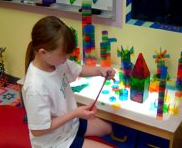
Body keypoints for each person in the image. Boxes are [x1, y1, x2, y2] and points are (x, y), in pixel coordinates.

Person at [22, 16, 116, 148]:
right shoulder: (35, 87)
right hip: (56, 142)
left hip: (71, 124)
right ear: (43, 52)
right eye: (63, 55)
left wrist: (100, 71)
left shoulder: (57, 62)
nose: (67, 59)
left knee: (108, 128)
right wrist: (75, 113)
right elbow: (38, 130)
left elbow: (78, 69)